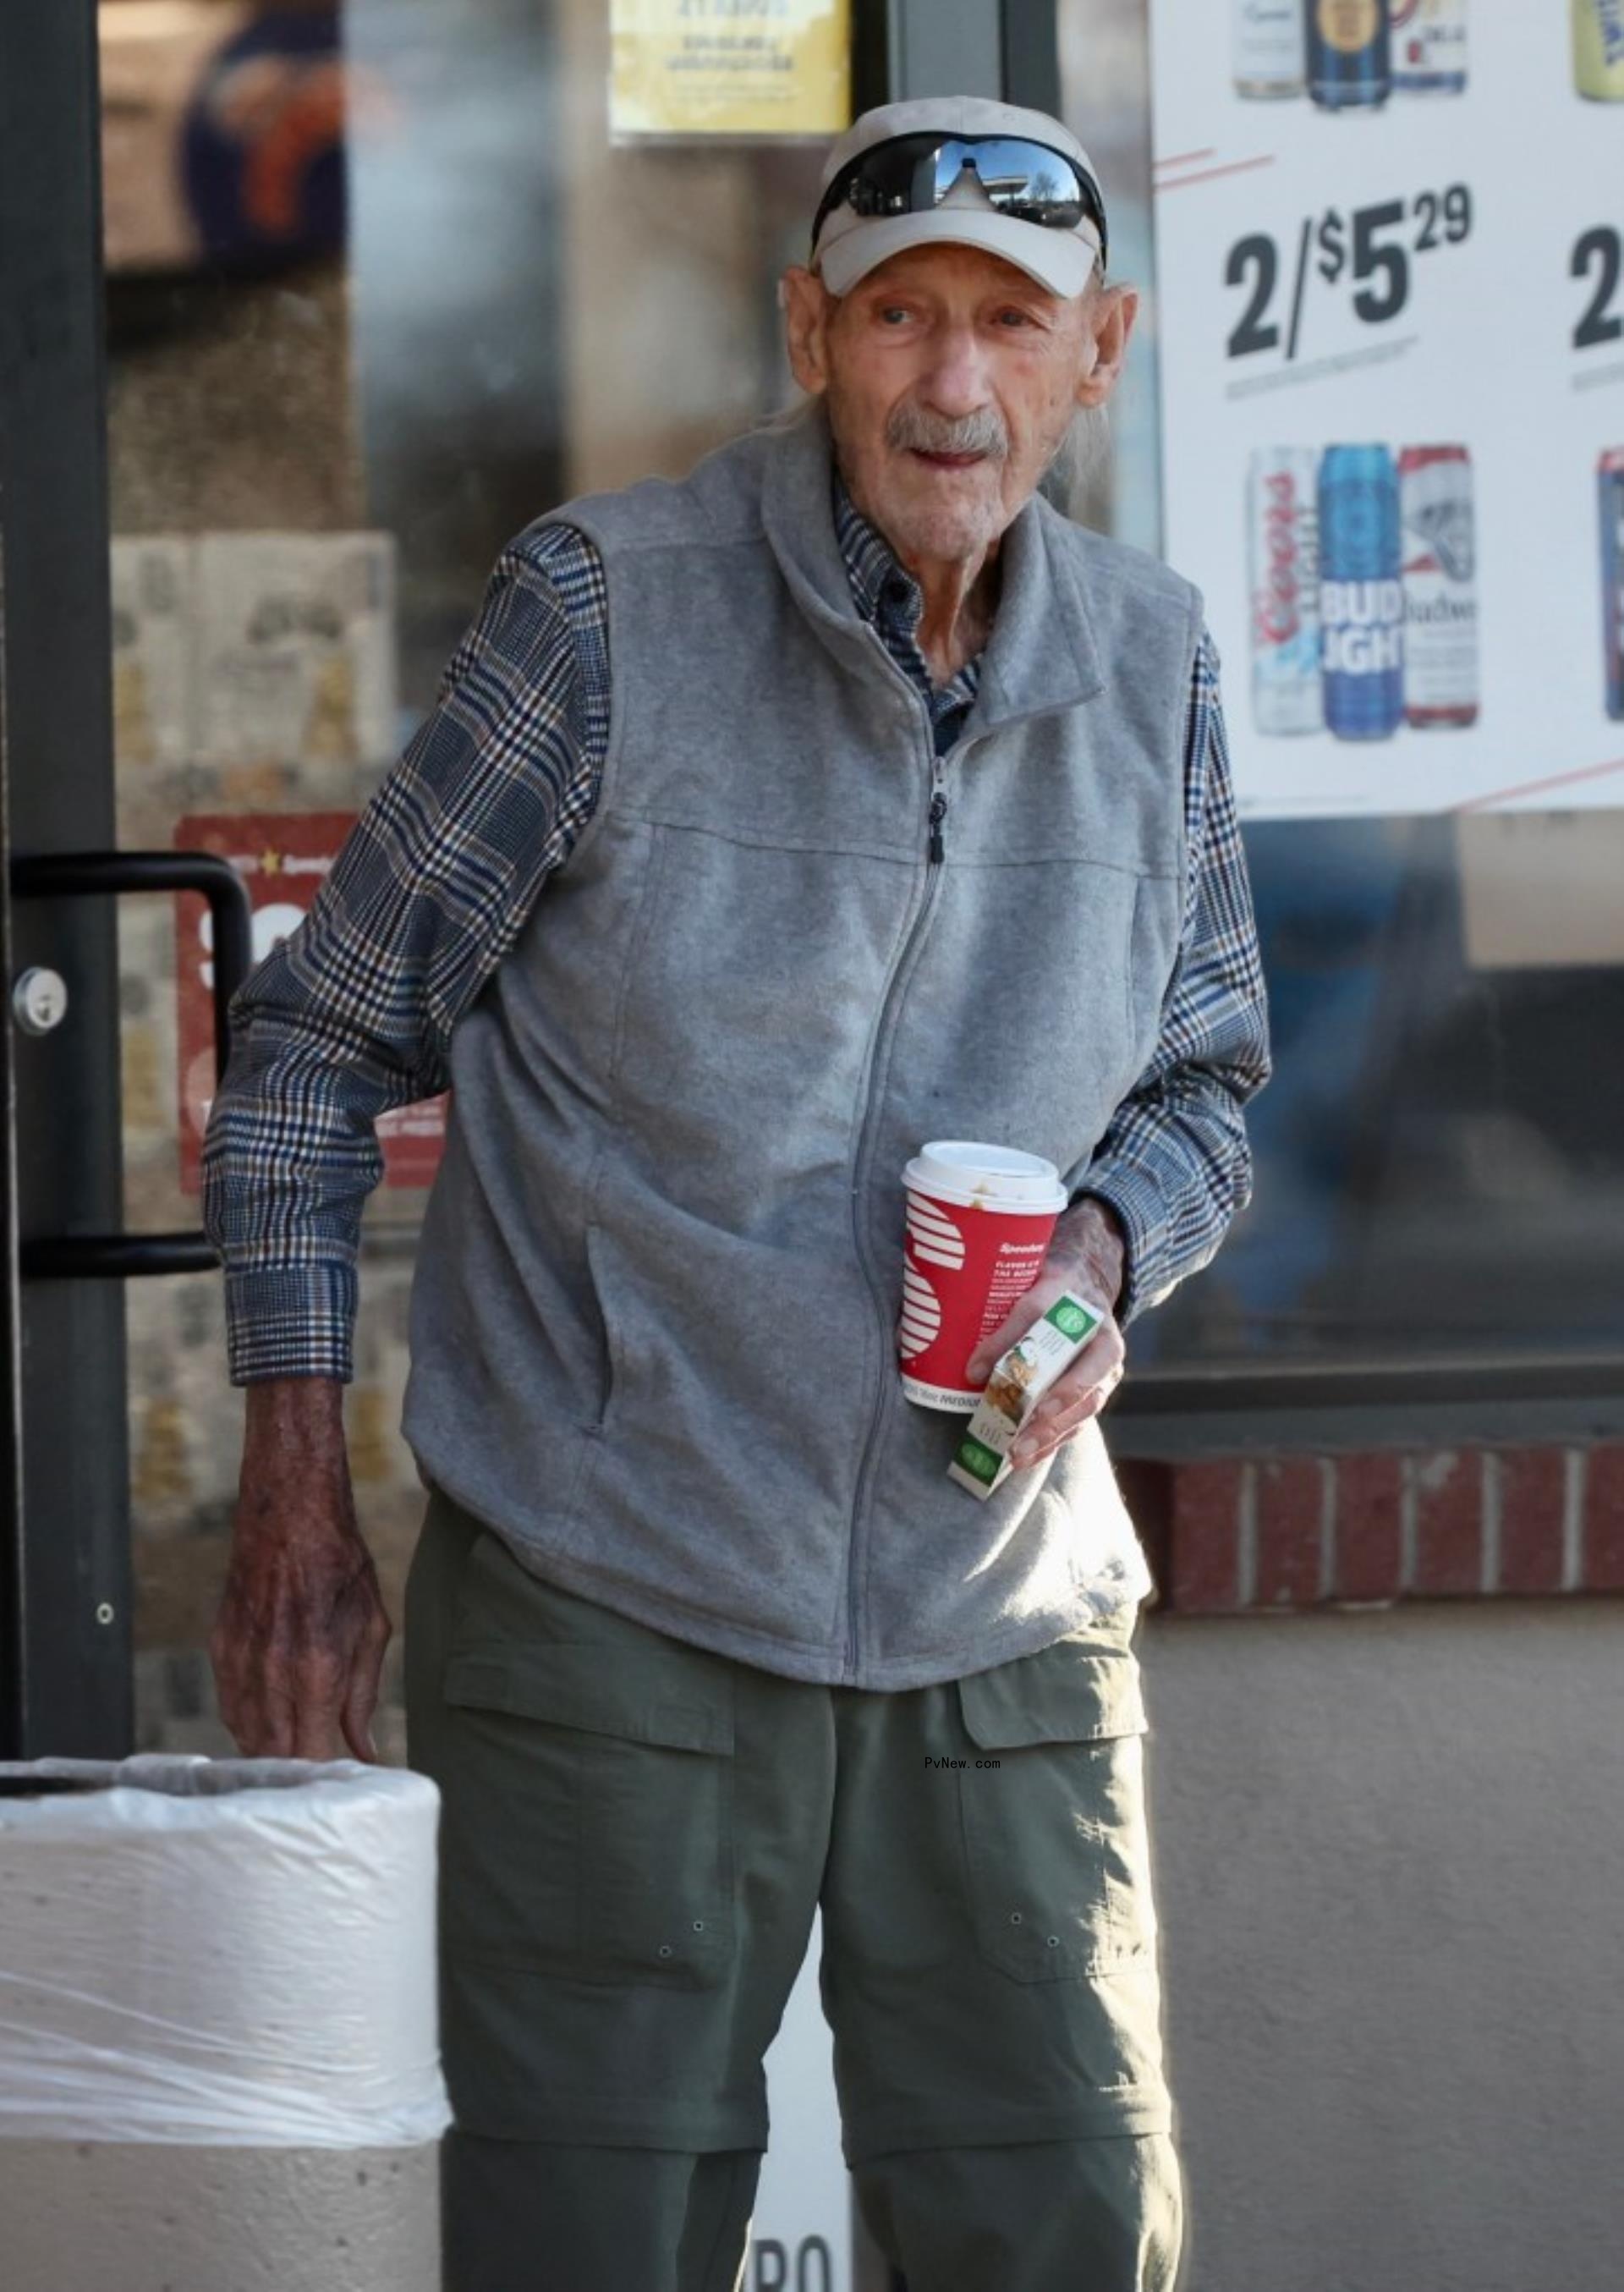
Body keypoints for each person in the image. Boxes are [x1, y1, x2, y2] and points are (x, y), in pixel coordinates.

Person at [203, 92, 1270, 2292]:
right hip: (618, 1603)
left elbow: (1210, 1084)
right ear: (810, 332)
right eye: (900, 316)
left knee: (1070, 2226)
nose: (951, 384)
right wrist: (293, 1489)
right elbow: (316, 1047)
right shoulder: (605, 618)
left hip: (1002, 1614)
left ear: (1103, 355)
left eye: (1007, 323)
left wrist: (1104, 1246)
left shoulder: (1152, 667)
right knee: (586, 2239)